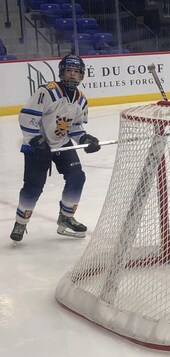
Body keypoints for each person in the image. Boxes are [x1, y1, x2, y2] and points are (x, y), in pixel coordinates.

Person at [10, 54, 101, 243]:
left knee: (77, 177)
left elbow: (74, 127)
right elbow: (27, 117)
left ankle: (66, 216)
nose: (72, 75)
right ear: (61, 73)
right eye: (69, 71)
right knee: (34, 186)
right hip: (37, 146)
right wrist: (36, 140)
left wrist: (84, 137)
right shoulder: (48, 91)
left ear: (82, 76)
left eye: (77, 72)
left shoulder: (81, 100)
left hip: (61, 143)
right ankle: (21, 221)